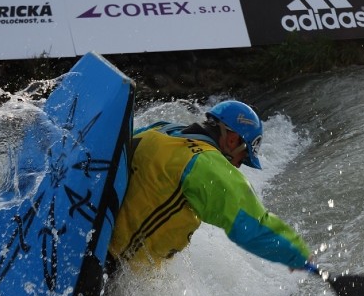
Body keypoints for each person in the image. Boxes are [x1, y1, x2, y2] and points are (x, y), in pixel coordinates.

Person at [106, 99, 312, 275]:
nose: (239, 164)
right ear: (232, 140)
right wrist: (296, 254)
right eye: (244, 155)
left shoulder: (162, 129)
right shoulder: (205, 165)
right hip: (111, 270)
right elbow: (252, 223)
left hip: (97, 241)